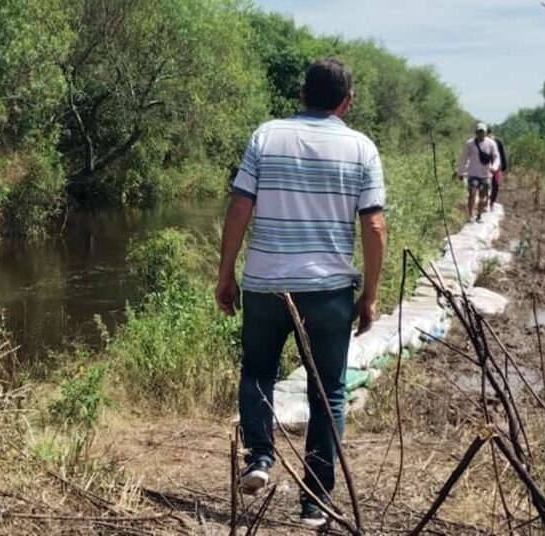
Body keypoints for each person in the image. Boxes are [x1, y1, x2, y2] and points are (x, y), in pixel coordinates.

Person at [215, 58, 387, 528]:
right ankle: (314, 502)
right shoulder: (361, 148)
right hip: (328, 291)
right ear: (346, 102)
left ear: (301, 93)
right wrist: (369, 295)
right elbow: (373, 224)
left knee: (257, 374)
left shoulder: (266, 136)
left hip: (267, 285)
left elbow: (238, 206)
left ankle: (260, 460)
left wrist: (225, 272)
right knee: (327, 392)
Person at [457, 122, 500, 222]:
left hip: (486, 175)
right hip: (473, 174)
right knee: (472, 194)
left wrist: (494, 167)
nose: (480, 134)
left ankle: (479, 215)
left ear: (485, 132)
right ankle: (471, 214)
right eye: (478, 131)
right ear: (476, 132)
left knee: (483, 196)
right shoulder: (470, 144)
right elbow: (464, 158)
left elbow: (496, 157)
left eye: (482, 132)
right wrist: (461, 172)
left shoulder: (491, 144)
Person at [487, 126, 508, 208]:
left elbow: (502, 154)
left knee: (495, 184)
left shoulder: (497, 142)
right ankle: (486, 202)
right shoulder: (482, 142)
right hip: (485, 167)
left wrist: (504, 165)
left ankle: (492, 201)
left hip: (496, 167)